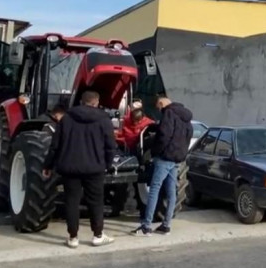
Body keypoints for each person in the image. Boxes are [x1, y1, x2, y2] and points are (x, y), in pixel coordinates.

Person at [42, 90, 118, 249]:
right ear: (96, 102)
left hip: (70, 168)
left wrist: (48, 165)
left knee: (71, 202)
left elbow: (55, 146)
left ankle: (73, 237)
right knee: (96, 202)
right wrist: (107, 165)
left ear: (81, 102)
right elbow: (111, 146)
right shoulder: (103, 119)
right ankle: (97, 235)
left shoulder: (66, 119)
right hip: (95, 168)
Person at [132, 97, 193, 237]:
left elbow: (163, 135)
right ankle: (166, 225)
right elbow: (189, 136)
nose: (159, 110)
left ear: (161, 104)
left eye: (158, 108)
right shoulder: (186, 116)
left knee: (154, 189)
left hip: (164, 158)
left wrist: (155, 152)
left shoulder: (168, 114)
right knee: (172, 192)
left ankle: (146, 226)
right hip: (177, 159)